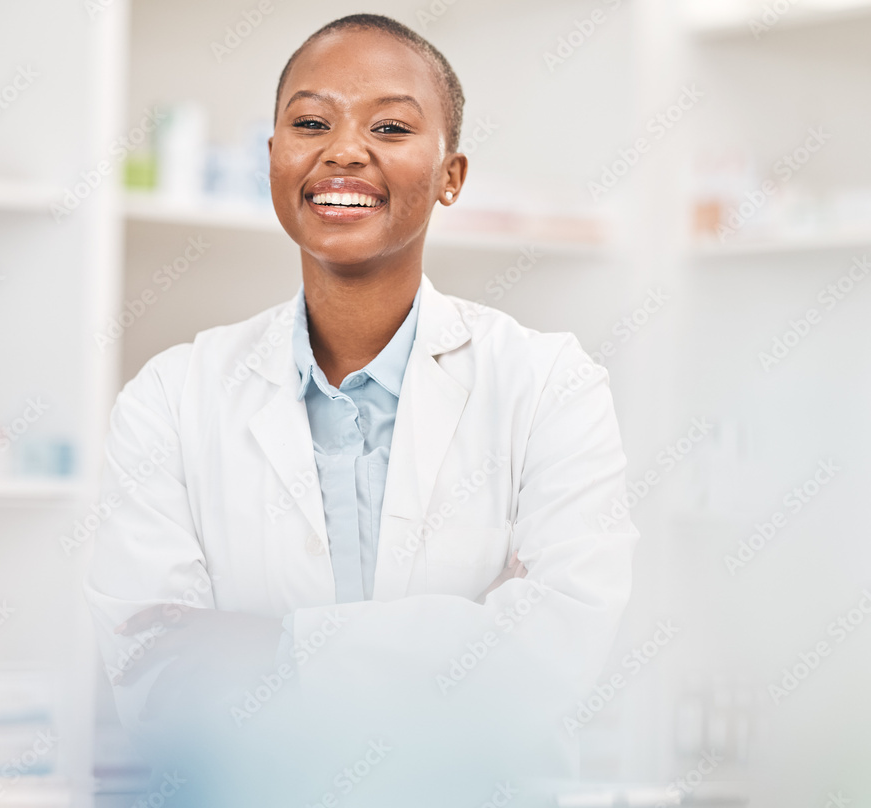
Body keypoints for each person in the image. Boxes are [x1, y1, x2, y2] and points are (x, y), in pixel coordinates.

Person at [84, 13, 639, 805]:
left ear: (451, 174)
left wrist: (276, 645)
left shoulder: (551, 385)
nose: (343, 150)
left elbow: (552, 658)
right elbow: (158, 682)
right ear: (272, 158)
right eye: (310, 122)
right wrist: (461, 636)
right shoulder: (170, 399)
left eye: (390, 126)